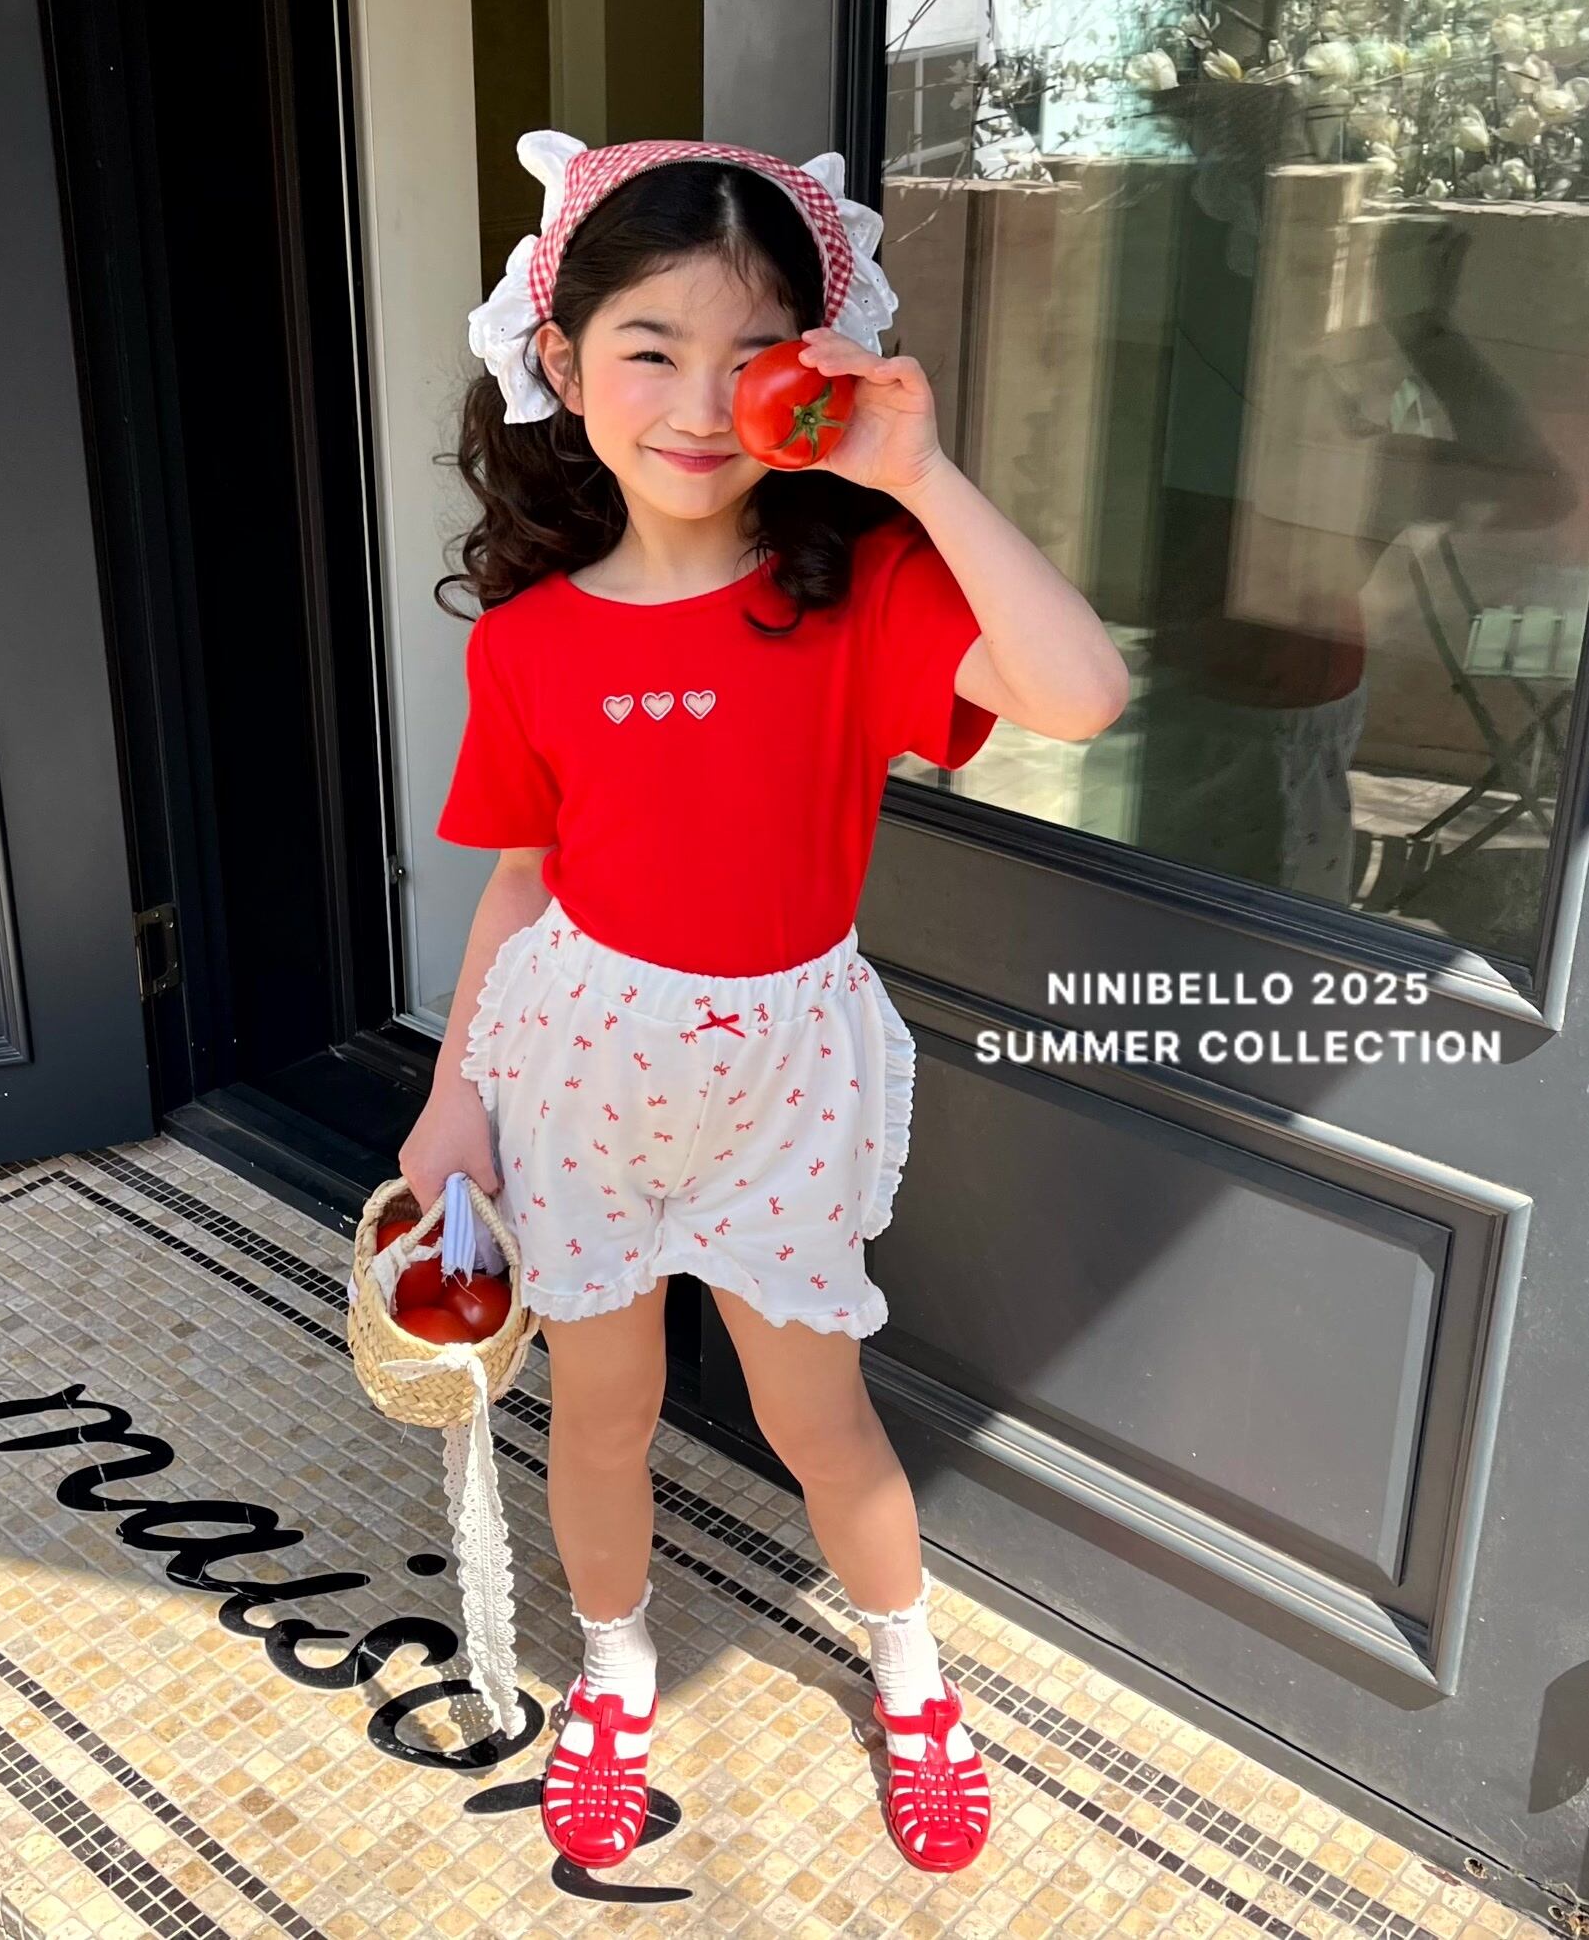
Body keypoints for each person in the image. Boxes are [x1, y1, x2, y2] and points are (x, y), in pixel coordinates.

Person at [401, 131, 1129, 1874]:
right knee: (602, 1411)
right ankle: (615, 1674)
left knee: (817, 1415)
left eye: (751, 358)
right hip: (579, 1067)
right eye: (649, 348)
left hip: (785, 1081)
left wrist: (920, 477)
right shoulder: (526, 643)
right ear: (561, 360)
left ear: (814, 369)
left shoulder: (856, 593)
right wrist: (452, 1093)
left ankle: (913, 1679)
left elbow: (1080, 693)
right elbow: (521, 883)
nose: (696, 403)